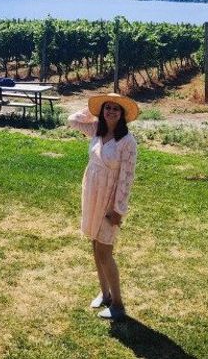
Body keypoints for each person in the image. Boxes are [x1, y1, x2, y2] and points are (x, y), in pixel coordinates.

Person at [68, 93, 140, 321]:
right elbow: (72, 120)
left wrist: (118, 209)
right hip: (91, 195)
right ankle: (105, 294)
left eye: (115, 109)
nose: (110, 111)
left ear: (122, 114)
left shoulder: (127, 142)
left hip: (109, 201)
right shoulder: (96, 130)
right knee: (94, 244)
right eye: (107, 108)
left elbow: (126, 178)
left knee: (105, 251)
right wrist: (93, 110)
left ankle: (118, 305)